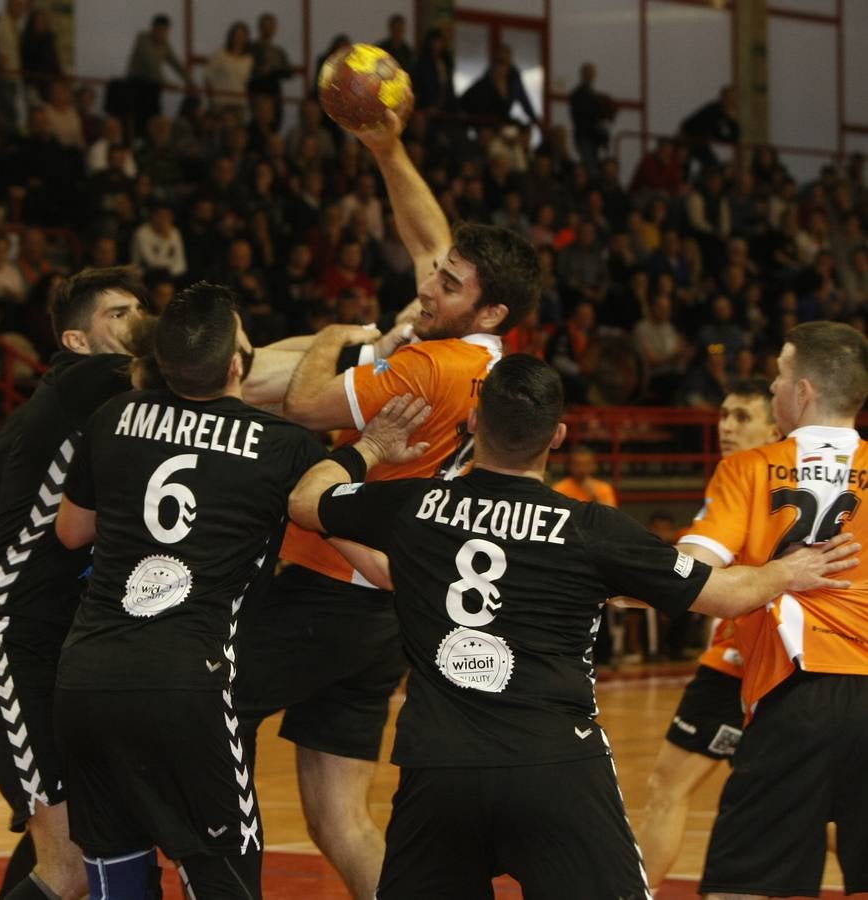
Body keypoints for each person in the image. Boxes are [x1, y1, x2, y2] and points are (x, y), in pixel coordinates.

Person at [285, 354, 858, 898]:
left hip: (437, 770)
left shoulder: (412, 506)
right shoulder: (590, 528)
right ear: (558, 435)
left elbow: (307, 501)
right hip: (555, 768)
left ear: (474, 421)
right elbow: (728, 596)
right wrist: (790, 568)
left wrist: (369, 449)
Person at [234, 104, 540, 900]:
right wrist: (389, 150)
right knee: (340, 821)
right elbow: (428, 239)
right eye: (436, 278)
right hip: (384, 609)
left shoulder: (427, 369)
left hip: (324, 589)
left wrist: (353, 338)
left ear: (490, 308)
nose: (430, 283)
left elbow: (304, 405)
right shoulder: (488, 362)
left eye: (448, 284)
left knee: (195, 718)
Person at [53, 283, 325, 900]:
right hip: (187, 684)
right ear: (235, 363)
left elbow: (72, 531)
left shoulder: (113, 417)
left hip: (88, 676)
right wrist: (369, 452)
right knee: (223, 876)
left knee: (117, 876)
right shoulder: (283, 445)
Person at [0, 267, 150, 900]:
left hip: (68, 638)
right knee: (67, 864)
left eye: (138, 310)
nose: (135, 323)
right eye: (116, 315)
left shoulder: (80, 408)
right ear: (75, 343)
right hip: (13, 637)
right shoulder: (83, 383)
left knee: (72, 824)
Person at [674, 322, 868, 899]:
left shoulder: (749, 468)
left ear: (803, 391)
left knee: (744, 884)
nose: (776, 387)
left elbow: (691, 571)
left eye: (780, 375)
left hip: (794, 695)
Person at [635, 378, 782, 890]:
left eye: (742, 416)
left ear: (776, 424)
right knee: (800, 808)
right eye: (723, 414)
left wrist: (622, 583)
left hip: (742, 665)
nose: (727, 426)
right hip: (778, 663)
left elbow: (689, 573)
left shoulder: (746, 478)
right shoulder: (777, 481)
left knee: (666, 786)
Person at [124, 14, 192, 133]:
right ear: (153, 28)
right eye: (160, 29)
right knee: (139, 120)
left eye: (165, 30)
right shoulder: (142, 39)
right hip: (136, 86)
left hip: (153, 88)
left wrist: (190, 81)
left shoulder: (165, 44)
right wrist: (168, 83)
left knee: (155, 118)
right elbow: (151, 64)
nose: (162, 33)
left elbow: (176, 64)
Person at [569, 62, 612, 172]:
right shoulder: (580, 94)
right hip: (586, 135)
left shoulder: (588, 94)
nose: (591, 76)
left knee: (592, 164)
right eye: (589, 73)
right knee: (590, 166)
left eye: (592, 73)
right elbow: (585, 117)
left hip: (591, 136)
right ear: (583, 74)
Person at [552, 445, 617, 506]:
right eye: (577, 464)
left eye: (586, 464)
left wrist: (594, 496)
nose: (582, 469)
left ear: (594, 465)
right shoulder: (559, 489)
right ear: (570, 466)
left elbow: (612, 515)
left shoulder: (604, 488)